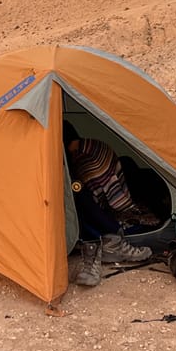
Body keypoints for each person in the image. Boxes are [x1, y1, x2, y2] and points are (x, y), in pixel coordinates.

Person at [63, 121, 155, 286]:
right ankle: (106, 240)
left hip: (112, 204)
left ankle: (107, 238)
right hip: (122, 193)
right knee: (77, 190)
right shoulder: (92, 146)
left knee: (77, 192)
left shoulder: (83, 160)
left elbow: (90, 190)